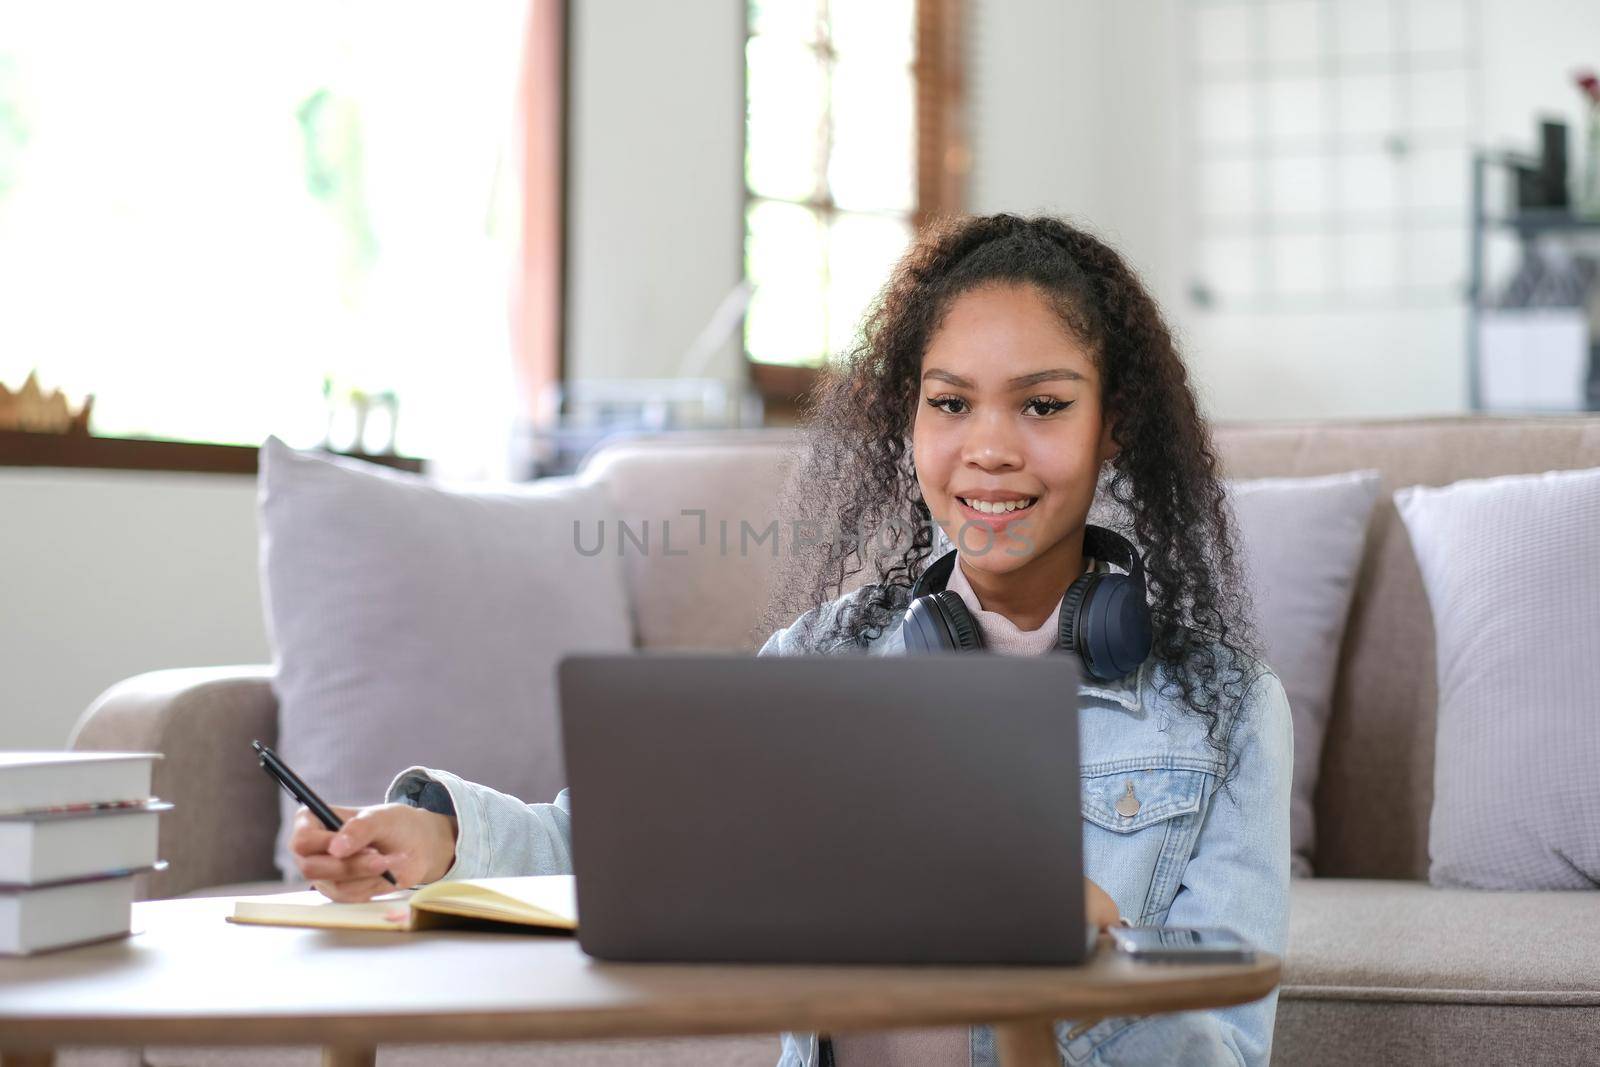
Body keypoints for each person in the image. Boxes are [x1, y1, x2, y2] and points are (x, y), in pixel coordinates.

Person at [289, 213, 1293, 1067]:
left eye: (1041, 404)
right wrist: (441, 831)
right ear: (907, 419)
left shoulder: (1227, 708)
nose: (988, 446)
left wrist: (1081, 963)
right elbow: (621, 842)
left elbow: (1228, 1048)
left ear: (1112, 422)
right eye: (949, 403)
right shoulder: (824, 658)